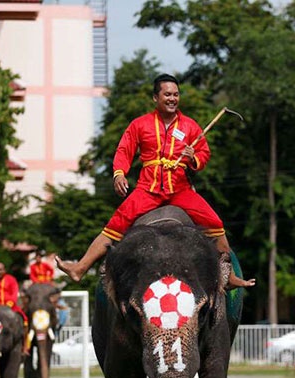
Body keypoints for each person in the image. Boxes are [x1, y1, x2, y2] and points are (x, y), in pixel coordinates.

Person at [56, 74, 254, 289]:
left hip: (180, 189)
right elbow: (124, 150)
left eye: (176, 94)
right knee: (116, 224)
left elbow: (204, 153)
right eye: (167, 94)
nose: (172, 98)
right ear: (155, 98)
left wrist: (192, 158)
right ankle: (80, 268)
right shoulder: (140, 124)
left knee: (215, 223)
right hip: (147, 189)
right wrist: (119, 174)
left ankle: (229, 275)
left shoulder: (190, 126)